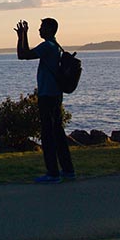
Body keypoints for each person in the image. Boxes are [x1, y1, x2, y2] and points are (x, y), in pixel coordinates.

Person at [16, 18, 75, 183]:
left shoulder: (47, 46)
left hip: (47, 95)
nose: (39, 30)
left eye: (42, 27)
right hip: (55, 95)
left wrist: (22, 35)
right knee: (58, 132)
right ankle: (68, 170)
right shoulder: (55, 46)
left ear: (50, 29)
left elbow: (23, 55)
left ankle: (53, 173)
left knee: (48, 135)